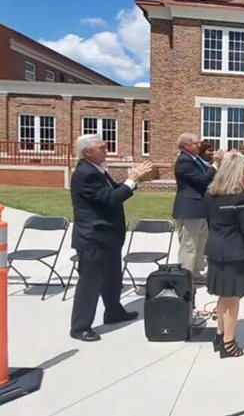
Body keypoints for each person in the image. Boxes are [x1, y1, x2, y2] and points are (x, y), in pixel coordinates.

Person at [69, 134, 154, 342]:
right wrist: (131, 180)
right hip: (93, 237)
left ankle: (114, 311)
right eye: (101, 147)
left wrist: (133, 181)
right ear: (87, 152)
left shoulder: (98, 170)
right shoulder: (85, 173)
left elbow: (114, 190)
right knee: (90, 282)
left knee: (113, 277)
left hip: (108, 236)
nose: (106, 150)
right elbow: (111, 199)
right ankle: (80, 326)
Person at [204, 152, 244, 358]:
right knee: (232, 301)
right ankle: (229, 344)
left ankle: (220, 335)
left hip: (216, 248)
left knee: (223, 296)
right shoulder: (241, 198)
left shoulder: (210, 194)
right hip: (234, 253)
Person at [173, 133, 218, 282]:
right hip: (189, 209)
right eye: (196, 143)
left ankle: (196, 273)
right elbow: (202, 180)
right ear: (186, 146)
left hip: (201, 208)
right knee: (189, 245)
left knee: (201, 243)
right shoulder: (184, 162)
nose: (199, 145)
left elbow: (207, 173)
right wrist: (216, 164)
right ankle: (185, 278)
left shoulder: (196, 159)